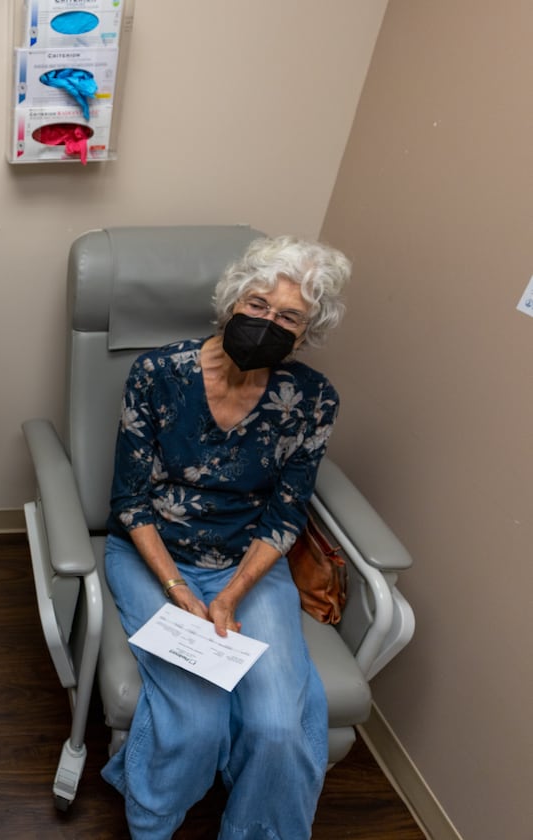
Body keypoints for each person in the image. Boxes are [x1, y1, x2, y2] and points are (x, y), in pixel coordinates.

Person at [100, 235, 351, 838]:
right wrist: (179, 590)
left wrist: (231, 594)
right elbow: (130, 501)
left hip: (248, 566)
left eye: (290, 316)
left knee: (278, 726)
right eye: (259, 305)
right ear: (234, 300)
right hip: (151, 554)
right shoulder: (158, 373)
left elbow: (288, 512)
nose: (269, 323)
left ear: (307, 331)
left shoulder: (311, 400)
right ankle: (153, 823)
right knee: (193, 722)